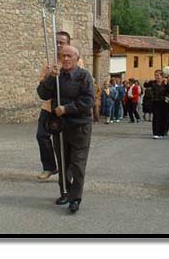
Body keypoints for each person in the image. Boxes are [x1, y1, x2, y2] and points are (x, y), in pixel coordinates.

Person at [37, 45, 95, 214]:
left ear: (77, 58)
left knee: (77, 164)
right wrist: (49, 78)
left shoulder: (84, 76)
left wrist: (67, 108)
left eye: (69, 56)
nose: (66, 59)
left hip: (80, 126)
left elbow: (88, 100)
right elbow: (42, 94)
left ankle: (75, 198)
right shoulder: (56, 76)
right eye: (63, 56)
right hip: (60, 126)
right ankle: (65, 191)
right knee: (63, 161)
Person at [35, 31, 71, 180]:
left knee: (65, 141)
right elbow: (41, 85)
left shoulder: (75, 60)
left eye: (62, 42)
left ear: (68, 44)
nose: (58, 45)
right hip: (49, 106)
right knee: (41, 135)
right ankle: (49, 167)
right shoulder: (49, 63)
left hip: (65, 107)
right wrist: (50, 75)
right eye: (56, 42)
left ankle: (68, 172)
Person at [147, 70, 169, 139]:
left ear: (162, 76)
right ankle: (156, 133)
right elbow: (145, 85)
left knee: (163, 117)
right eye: (155, 75)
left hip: (164, 103)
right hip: (155, 102)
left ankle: (162, 132)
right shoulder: (152, 83)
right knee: (156, 117)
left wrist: (166, 84)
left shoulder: (166, 83)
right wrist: (146, 81)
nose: (157, 77)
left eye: (158, 75)